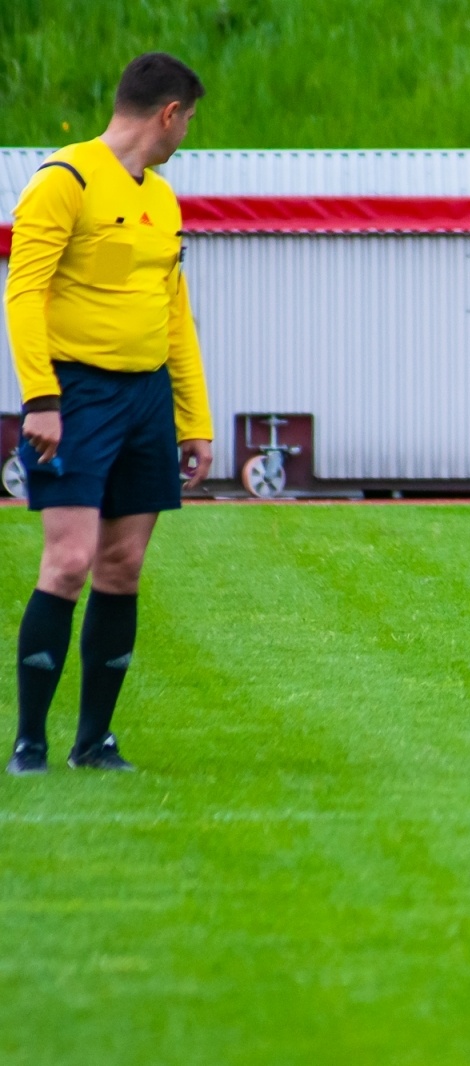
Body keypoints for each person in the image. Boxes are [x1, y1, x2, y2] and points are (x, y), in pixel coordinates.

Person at [5, 53, 214, 775]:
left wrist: (195, 418)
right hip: (76, 396)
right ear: (169, 114)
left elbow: (175, 313)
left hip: (147, 397)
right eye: (188, 120)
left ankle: (94, 741)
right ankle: (30, 740)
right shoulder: (62, 181)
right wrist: (42, 399)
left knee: (122, 566)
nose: (187, 133)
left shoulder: (162, 197)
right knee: (68, 561)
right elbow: (24, 293)